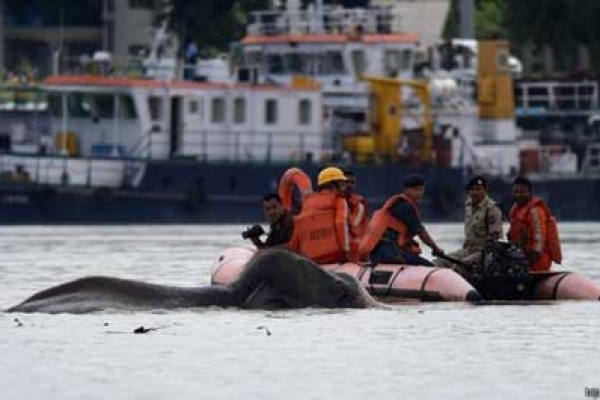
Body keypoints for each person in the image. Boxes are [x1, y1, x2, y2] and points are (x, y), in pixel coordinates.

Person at [359, 175, 444, 266]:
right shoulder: (405, 207)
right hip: (390, 253)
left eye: (421, 190)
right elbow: (421, 232)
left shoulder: (399, 204)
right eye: (415, 190)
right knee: (429, 266)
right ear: (406, 190)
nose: (419, 193)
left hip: (381, 252)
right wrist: (435, 248)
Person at [434, 176, 503, 271]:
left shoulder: (492, 210)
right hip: (468, 249)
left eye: (478, 189)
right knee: (439, 262)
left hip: (483, 252)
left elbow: (495, 240)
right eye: (472, 189)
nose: (475, 192)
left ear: (485, 190)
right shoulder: (469, 206)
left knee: (458, 267)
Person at [288, 166, 351, 264]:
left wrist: (293, 255)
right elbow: (340, 223)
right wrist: (346, 251)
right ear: (332, 184)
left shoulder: (307, 203)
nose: (344, 187)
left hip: (311, 260)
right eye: (341, 183)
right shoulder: (339, 201)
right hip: (335, 257)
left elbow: (299, 230)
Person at [507, 176, 562, 271]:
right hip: (521, 256)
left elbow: (538, 243)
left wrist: (527, 262)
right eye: (516, 192)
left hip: (538, 261)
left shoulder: (535, 211)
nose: (518, 195)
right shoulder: (515, 210)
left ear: (530, 193)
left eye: (522, 192)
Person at [343, 170, 369, 260]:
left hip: (356, 247)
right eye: (346, 182)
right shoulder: (333, 202)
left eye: (352, 183)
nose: (349, 185)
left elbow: (356, 225)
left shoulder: (360, 204)